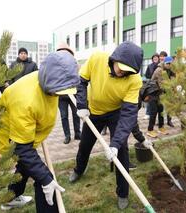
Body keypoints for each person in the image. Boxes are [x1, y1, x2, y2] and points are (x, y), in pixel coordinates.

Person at [0, 50, 80, 211]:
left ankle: (10, 198)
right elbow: (22, 148)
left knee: (25, 167)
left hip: (25, 130)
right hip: (9, 135)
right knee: (44, 177)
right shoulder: (25, 100)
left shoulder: (48, 79)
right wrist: (46, 179)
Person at [68, 41, 143, 210]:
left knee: (121, 152)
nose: (122, 71)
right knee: (85, 145)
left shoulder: (134, 81)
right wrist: (81, 105)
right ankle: (79, 170)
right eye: (121, 67)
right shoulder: (97, 59)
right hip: (93, 112)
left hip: (116, 113)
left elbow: (129, 114)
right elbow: (81, 81)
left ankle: (122, 193)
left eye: (127, 70)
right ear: (114, 59)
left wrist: (115, 144)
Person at [56, 43, 81, 144]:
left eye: (66, 51)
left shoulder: (75, 63)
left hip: (73, 93)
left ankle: (77, 133)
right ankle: (67, 135)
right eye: (61, 51)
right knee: (63, 116)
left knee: (76, 114)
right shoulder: (55, 65)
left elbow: (79, 76)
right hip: (61, 95)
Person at [147, 56, 174, 138]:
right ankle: (150, 130)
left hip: (160, 93)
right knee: (153, 112)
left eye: (171, 64)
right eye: (168, 64)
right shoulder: (159, 70)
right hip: (153, 92)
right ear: (165, 63)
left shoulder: (169, 69)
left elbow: (173, 78)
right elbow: (161, 84)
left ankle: (161, 127)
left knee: (161, 111)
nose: (170, 65)